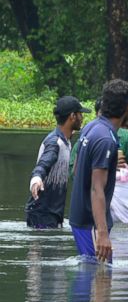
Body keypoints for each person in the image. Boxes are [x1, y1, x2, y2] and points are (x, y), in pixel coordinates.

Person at [70, 80, 128, 264]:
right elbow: (96, 188)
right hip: (91, 222)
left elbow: (76, 170)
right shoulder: (106, 139)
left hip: (82, 217)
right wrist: (102, 233)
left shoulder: (91, 126)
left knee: (94, 273)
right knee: (99, 273)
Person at [25, 96, 90, 229]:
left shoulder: (66, 141)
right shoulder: (55, 142)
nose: (82, 118)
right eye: (80, 114)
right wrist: (36, 178)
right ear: (72, 116)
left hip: (53, 213)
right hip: (42, 214)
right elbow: (44, 163)